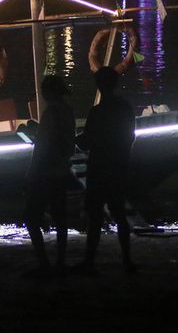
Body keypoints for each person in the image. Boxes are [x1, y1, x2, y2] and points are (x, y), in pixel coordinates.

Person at [75, 67, 136, 274]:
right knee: (120, 215)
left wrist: (72, 140)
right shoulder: (126, 109)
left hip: (99, 168)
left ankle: (90, 261)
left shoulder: (97, 112)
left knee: (95, 217)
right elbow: (130, 137)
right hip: (119, 166)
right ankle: (127, 260)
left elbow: (86, 142)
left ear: (99, 86)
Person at [23, 75, 77, 276]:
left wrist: (31, 172)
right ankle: (60, 262)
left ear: (49, 93)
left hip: (44, 173)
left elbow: (43, 147)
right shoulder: (67, 112)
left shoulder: (51, 113)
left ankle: (44, 263)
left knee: (31, 217)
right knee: (60, 218)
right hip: (61, 171)